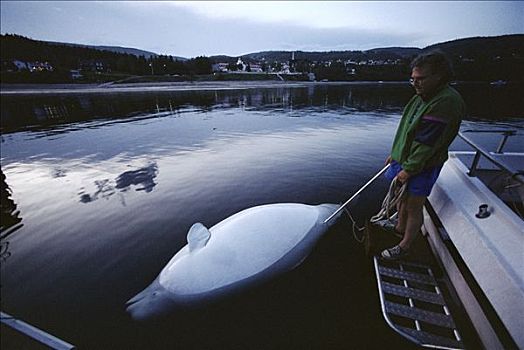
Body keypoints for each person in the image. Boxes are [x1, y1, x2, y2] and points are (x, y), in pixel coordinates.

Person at [381, 50, 465, 260]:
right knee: (401, 196)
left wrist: (409, 169)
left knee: (413, 204)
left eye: (420, 79)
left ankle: (406, 245)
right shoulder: (422, 96)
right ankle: (399, 226)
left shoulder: (445, 102)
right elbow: (406, 129)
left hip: (423, 164)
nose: (416, 83)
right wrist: (396, 154)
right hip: (406, 159)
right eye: (413, 79)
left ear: (439, 76)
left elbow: (426, 143)